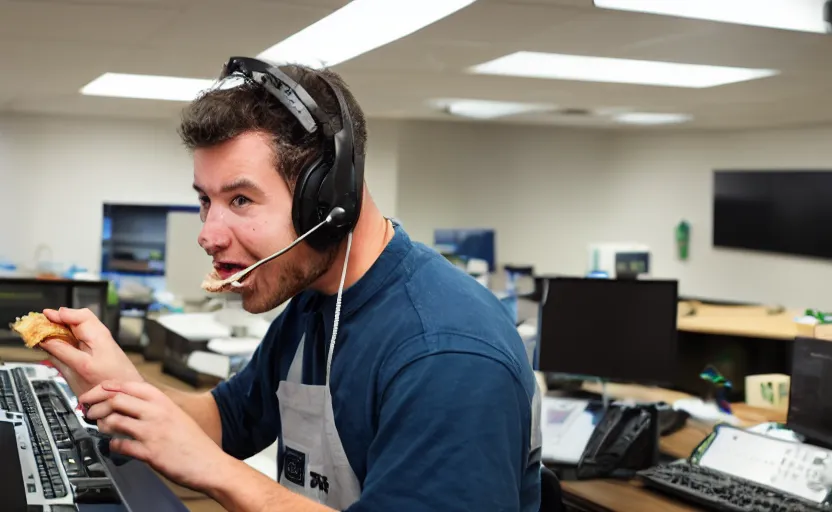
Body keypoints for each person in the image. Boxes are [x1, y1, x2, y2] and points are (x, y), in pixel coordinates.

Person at [40, 56, 542, 512]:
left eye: (240, 200)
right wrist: (119, 387)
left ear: (326, 201)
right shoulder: (316, 300)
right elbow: (226, 419)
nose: (208, 236)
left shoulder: (446, 355)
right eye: (206, 201)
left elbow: (211, 453)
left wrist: (214, 471)